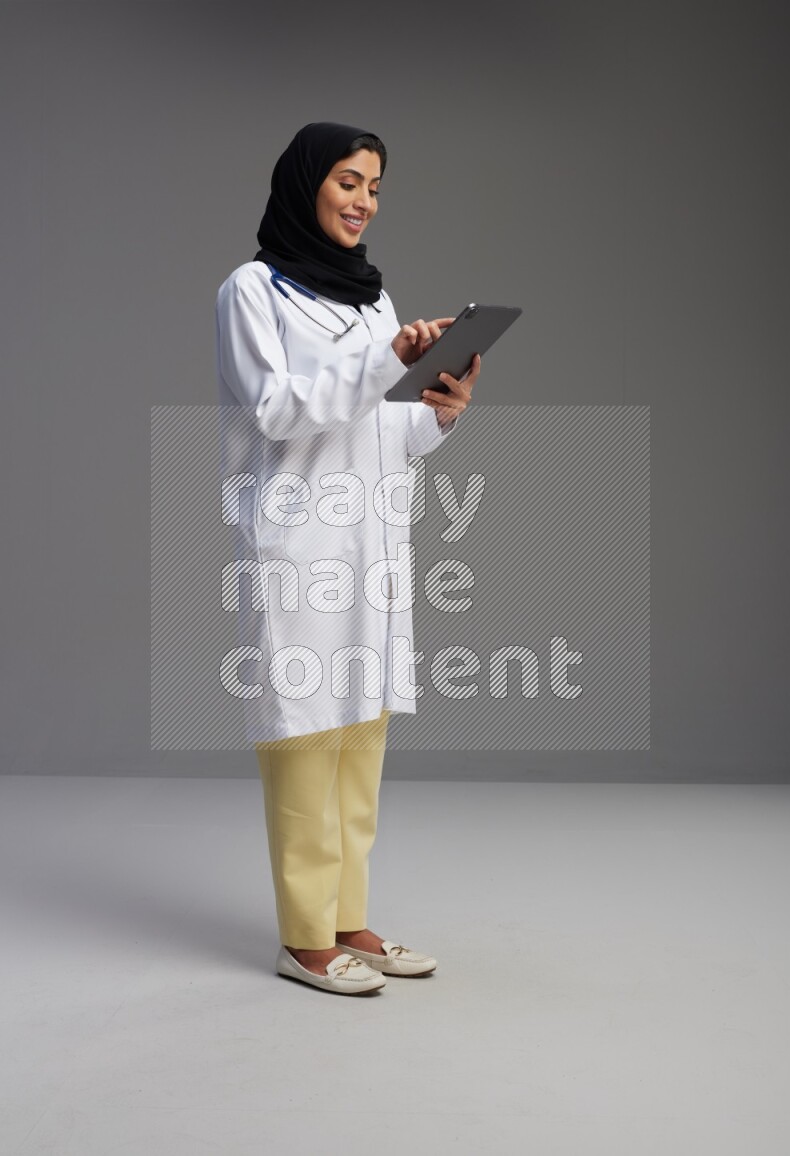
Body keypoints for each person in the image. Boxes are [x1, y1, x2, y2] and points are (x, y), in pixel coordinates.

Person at [215, 122, 479, 995]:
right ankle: (302, 936)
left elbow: (384, 425)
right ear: (304, 184)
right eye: (347, 180)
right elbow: (275, 410)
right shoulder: (251, 291)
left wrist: (439, 408)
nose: (363, 199)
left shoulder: (373, 297)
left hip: (371, 540)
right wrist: (385, 358)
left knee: (362, 729)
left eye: (374, 186)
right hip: (298, 544)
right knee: (302, 733)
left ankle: (349, 918)